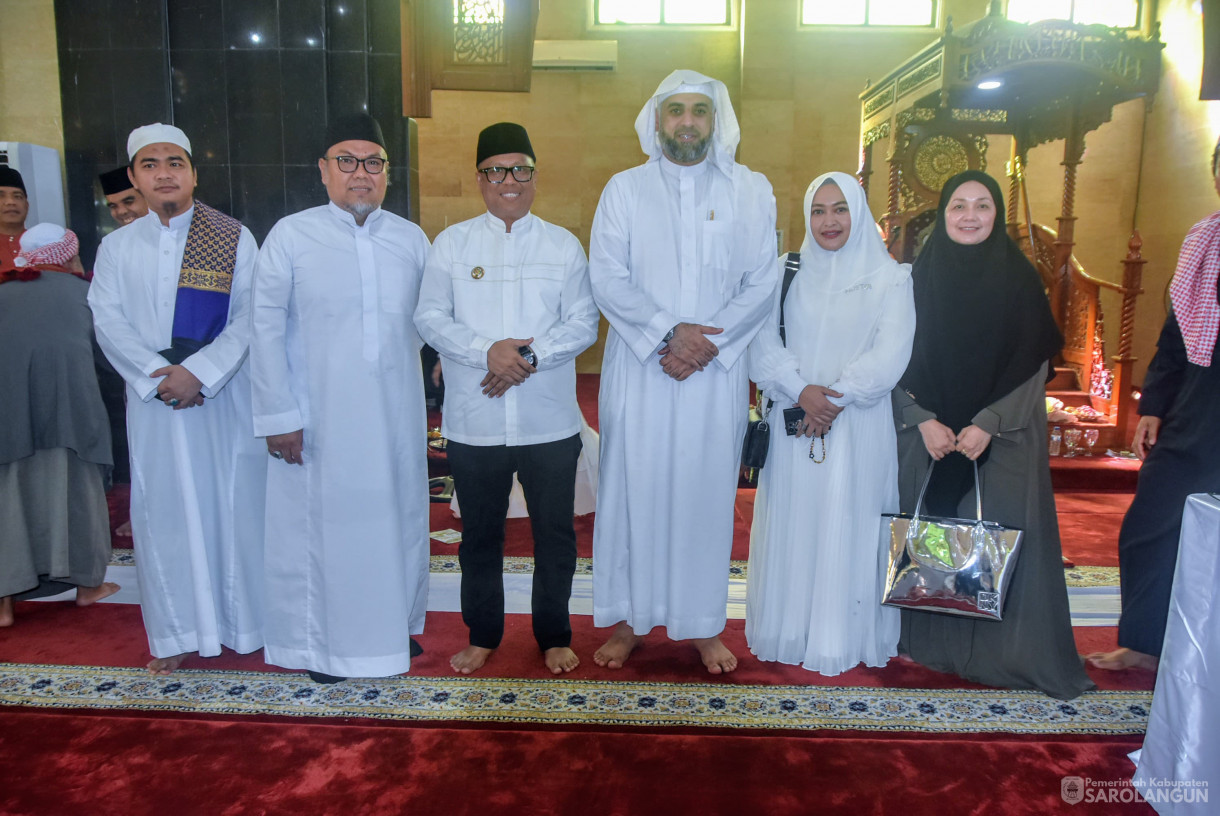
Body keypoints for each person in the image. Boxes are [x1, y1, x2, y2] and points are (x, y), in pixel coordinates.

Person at [589, 70, 778, 674]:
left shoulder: (751, 189)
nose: (688, 122)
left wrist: (702, 345)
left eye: (700, 110)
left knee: (705, 492)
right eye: (676, 110)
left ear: (716, 120)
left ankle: (701, 625)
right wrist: (671, 332)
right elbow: (607, 277)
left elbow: (762, 281)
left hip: (714, 374)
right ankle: (629, 620)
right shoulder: (623, 188)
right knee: (632, 487)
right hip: (642, 368)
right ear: (657, 119)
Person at [891, 170, 1093, 700]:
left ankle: (1005, 654)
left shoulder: (1019, 279)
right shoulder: (913, 280)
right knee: (937, 543)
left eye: (983, 205)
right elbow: (889, 359)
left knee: (1001, 542)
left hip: (1001, 441)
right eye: (959, 205)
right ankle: (934, 645)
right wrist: (921, 419)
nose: (970, 215)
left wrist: (990, 421)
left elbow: (1032, 361)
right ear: (942, 214)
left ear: (997, 214)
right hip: (929, 438)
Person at [251, 114, 431, 684]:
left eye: (373, 163)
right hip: (318, 419)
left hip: (396, 417)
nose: (361, 174)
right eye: (347, 161)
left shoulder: (410, 238)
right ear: (324, 171)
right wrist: (279, 417)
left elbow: (430, 326)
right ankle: (328, 651)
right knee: (330, 532)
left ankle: (387, 632)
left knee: (397, 519)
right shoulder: (291, 235)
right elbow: (263, 329)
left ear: (387, 174)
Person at [416, 122, 599, 676]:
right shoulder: (452, 245)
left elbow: (584, 322)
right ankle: (484, 633)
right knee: (480, 536)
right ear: (480, 179)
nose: (509, 180)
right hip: (476, 420)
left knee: (555, 535)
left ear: (534, 177)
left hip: (548, 420)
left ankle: (554, 634)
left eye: (520, 168)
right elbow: (429, 316)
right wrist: (484, 351)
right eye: (497, 170)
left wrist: (526, 359)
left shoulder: (562, 244)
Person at [89, 123, 266, 674]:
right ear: (135, 177)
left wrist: (199, 372)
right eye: (150, 164)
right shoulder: (116, 247)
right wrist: (154, 373)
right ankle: (178, 632)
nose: (164, 173)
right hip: (154, 408)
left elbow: (249, 319)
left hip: (219, 401)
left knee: (231, 507)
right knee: (165, 515)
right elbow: (107, 320)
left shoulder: (232, 236)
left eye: (175, 162)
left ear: (193, 172)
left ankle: (243, 623)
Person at [746, 172, 915, 674]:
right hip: (795, 421)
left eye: (840, 208)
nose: (829, 220)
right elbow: (761, 342)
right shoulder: (784, 271)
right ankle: (791, 629)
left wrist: (836, 398)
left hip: (858, 426)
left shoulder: (892, 278)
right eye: (818, 210)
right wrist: (803, 391)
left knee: (851, 523)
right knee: (795, 522)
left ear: (859, 213)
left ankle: (843, 634)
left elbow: (892, 354)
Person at [1088, 139, 1220, 672]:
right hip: (1195, 408)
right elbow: (1177, 336)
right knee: (1150, 525)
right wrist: (1154, 406)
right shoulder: (1203, 242)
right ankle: (1144, 643)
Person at [0, 225, 119, 626]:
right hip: (72, 420)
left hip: (8, 426)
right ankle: (89, 588)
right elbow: (113, 358)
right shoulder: (86, 295)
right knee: (77, 497)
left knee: (7, 505)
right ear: (69, 256)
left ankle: (3, 606)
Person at [0, 166, 29, 270]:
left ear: (27, 205)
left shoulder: (48, 245)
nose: (10, 202)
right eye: (1, 195)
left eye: (17, 196)